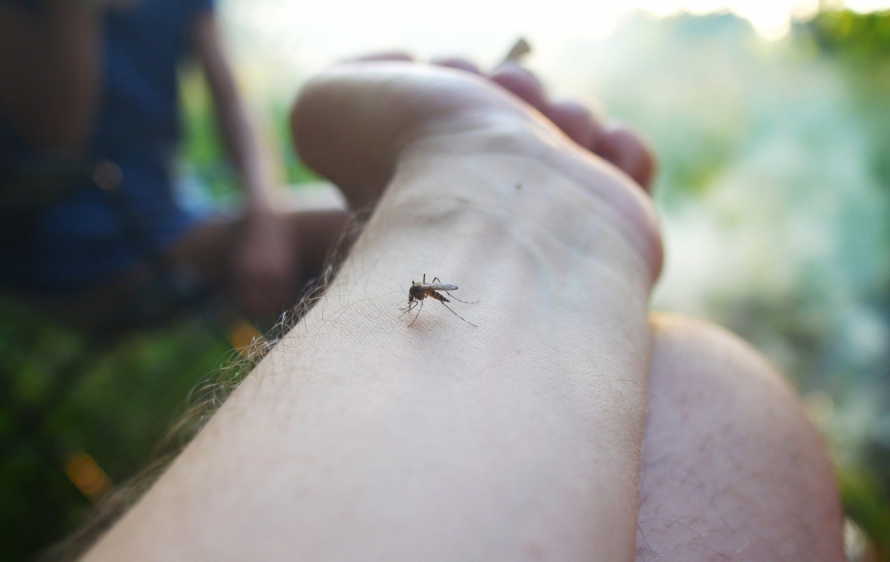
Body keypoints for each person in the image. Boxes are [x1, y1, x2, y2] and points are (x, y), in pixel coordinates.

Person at [68, 60, 845, 561]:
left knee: (710, 378)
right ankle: (503, 197)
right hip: (88, 237)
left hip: (186, 217)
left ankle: (494, 201)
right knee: (711, 381)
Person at [0, 0, 349, 332]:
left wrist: (264, 217)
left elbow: (231, 102)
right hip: (80, 240)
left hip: (171, 216)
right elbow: (56, 139)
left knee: (360, 227)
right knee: (350, 227)